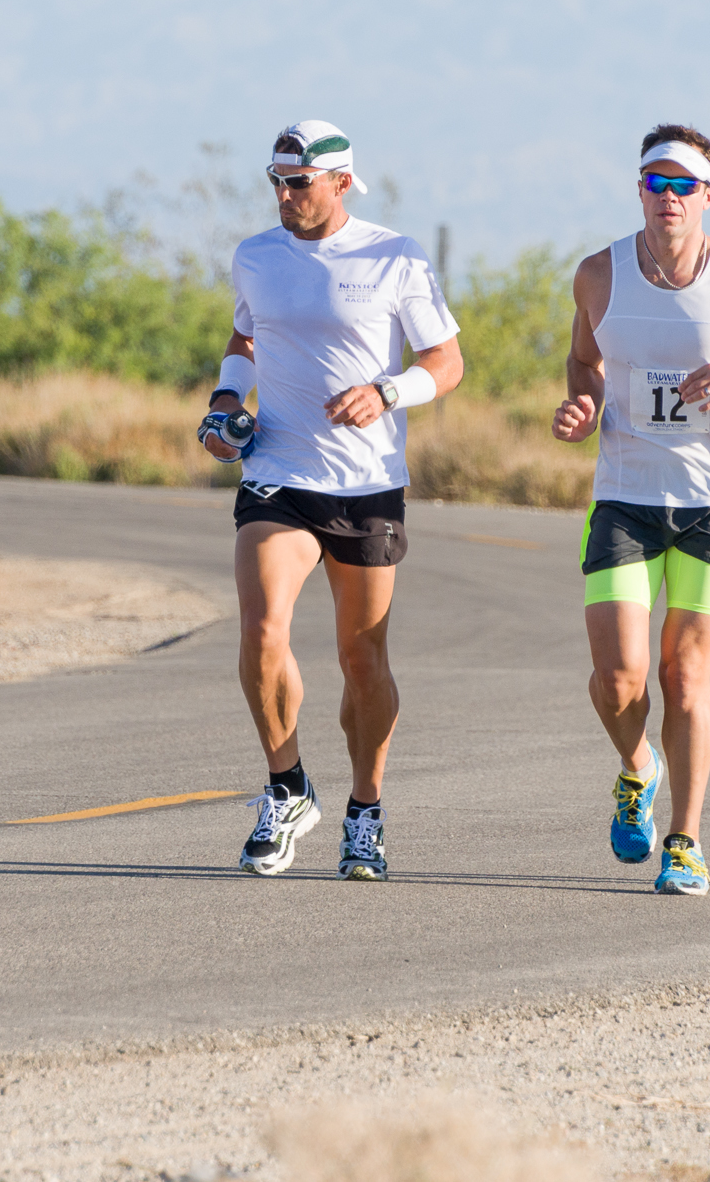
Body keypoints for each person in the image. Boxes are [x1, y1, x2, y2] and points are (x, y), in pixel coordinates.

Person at [199, 120, 463, 881]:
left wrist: (386, 392)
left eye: (299, 183)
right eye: (275, 181)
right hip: (277, 470)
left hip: (366, 482)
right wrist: (224, 403)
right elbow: (245, 339)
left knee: (362, 655)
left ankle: (366, 810)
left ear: (341, 183)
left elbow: (444, 363)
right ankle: (286, 787)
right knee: (262, 629)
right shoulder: (255, 255)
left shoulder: (393, 255)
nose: (284, 195)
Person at [551, 125, 710, 895]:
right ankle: (637, 766)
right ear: (638, 190)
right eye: (655, 183)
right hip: (624, 497)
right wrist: (583, 403)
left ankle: (685, 840)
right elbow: (582, 360)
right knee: (619, 677)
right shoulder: (598, 274)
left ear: (708, 196)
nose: (668, 198)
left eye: (683, 186)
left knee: (683, 673)